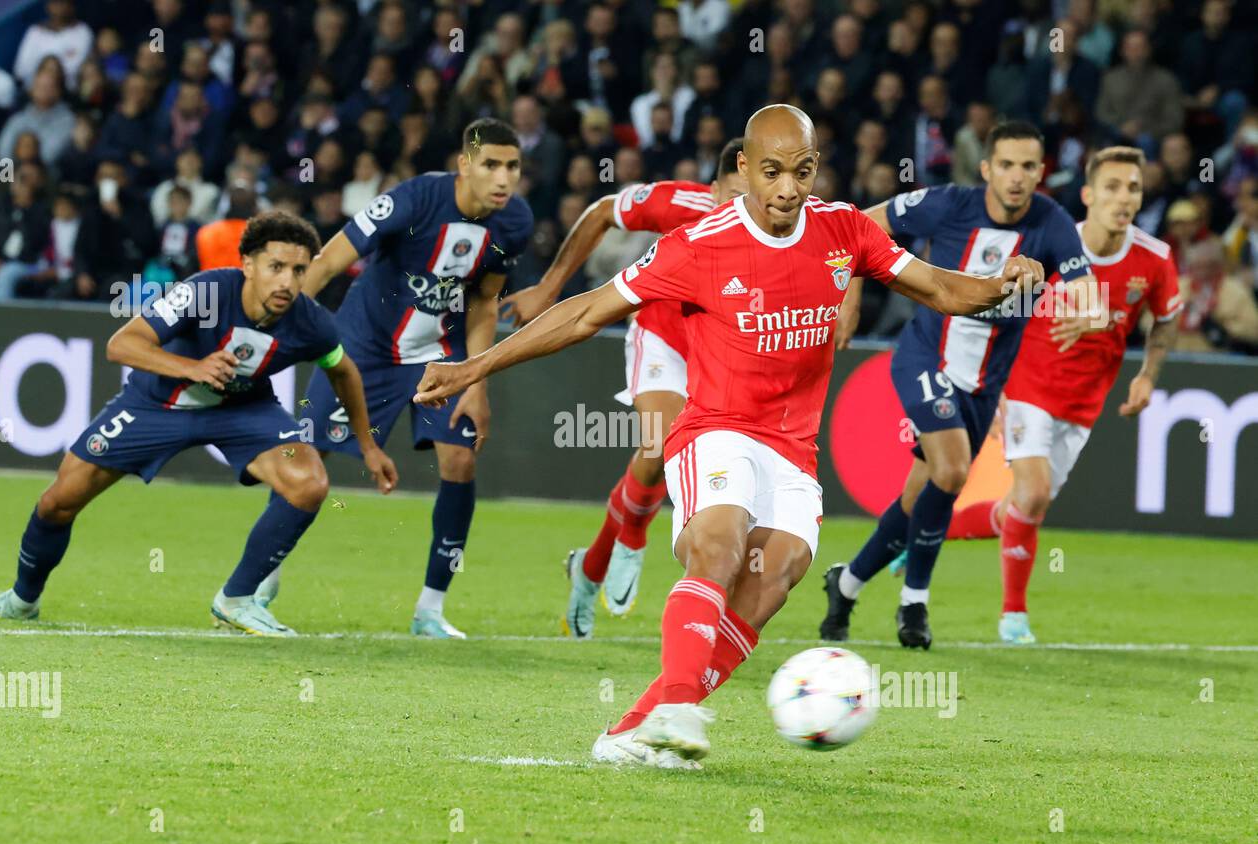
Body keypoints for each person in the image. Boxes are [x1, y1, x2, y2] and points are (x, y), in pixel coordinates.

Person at [412, 105, 1043, 767]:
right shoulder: (700, 244)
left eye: (800, 172)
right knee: (717, 543)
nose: (787, 189)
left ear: (815, 169)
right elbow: (588, 312)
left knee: (776, 577)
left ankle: (633, 729)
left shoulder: (844, 231)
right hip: (716, 430)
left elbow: (942, 288)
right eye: (771, 172)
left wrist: (1001, 285)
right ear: (744, 168)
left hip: (794, 447)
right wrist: (476, 365)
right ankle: (681, 703)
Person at [0, 212, 397, 634]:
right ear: (247, 264)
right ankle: (21, 601)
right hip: (157, 405)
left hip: (243, 411)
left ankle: (238, 599)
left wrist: (369, 446)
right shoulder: (206, 292)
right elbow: (123, 343)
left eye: (299, 270)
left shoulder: (312, 322)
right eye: (276, 266)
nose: (287, 281)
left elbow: (345, 372)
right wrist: (192, 367)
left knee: (309, 482)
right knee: (58, 501)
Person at [820, 121, 1098, 649]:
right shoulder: (948, 204)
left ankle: (848, 583)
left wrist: (1081, 311)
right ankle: (914, 606)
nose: (1018, 178)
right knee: (951, 471)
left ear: (1041, 173)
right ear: (988, 168)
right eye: (1008, 165)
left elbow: (1089, 294)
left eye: (1029, 167)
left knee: (919, 497)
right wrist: (848, 299)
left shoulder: (1053, 222)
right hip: (926, 355)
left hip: (985, 382)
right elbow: (856, 228)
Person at [285, 119, 534, 640]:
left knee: (461, 460)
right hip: (365, 347)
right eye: (491, 164)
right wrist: (280, 324)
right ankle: (257, 587)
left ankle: (430, 609)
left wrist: (477, 383)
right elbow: (331, 258)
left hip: (440, 355)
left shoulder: (514, 223)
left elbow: (486, 300)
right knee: (309, 461)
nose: (503, 177)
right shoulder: (415, 198)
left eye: (512, 166)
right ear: (464, 165)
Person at [921, 148, 1181, 643]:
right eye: (1111, 187)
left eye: (1133, 189)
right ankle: (1013, 617)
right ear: (1087, 196)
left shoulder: (1155, 258)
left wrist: (1147, 374)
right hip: (1026, 386)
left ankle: (926, 532)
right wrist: (993, 387)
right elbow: (1001, 312)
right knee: (1034, 492)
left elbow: (1165, 322)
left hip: (1083, 404)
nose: (1123, 198)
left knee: (1020, 509)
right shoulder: (1052, 244)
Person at [502, 140, 745, 637]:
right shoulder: (680, 204)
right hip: (661, 338)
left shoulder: (775, 228)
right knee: (660, 444)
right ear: (713, 188)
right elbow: (599, 213)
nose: (739, 210)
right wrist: (550, 288)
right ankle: (633, 538)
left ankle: (589, 568)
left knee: (668, 466)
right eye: (731, 197)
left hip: (718, 356)